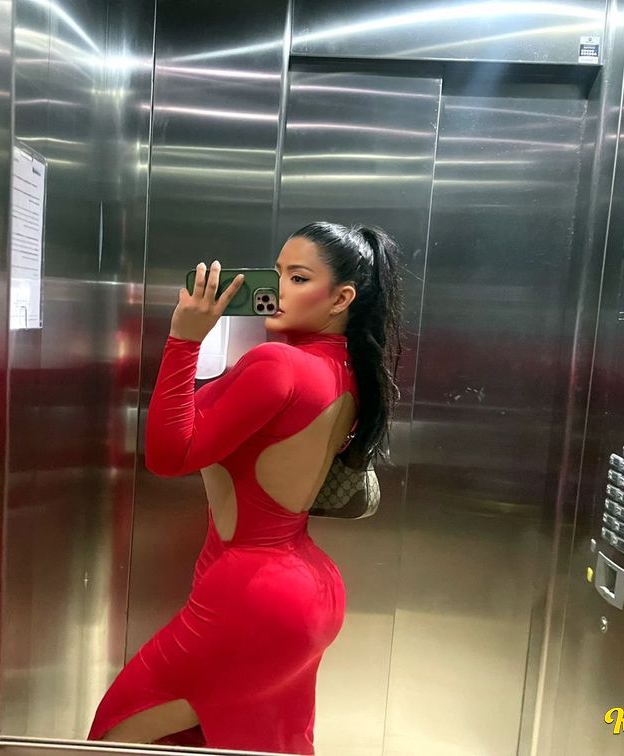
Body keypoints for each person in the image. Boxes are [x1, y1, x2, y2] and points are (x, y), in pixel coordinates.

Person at [87, 222, 402, 754]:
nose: (277, 289)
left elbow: (168, 456)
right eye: (276, 273)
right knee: (247, 742)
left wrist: (185, 338)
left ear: (340, 298)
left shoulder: (277, 364)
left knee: (113, 735)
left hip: (252, 591)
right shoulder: (345, 369)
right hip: (306, 586)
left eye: (298, 278)